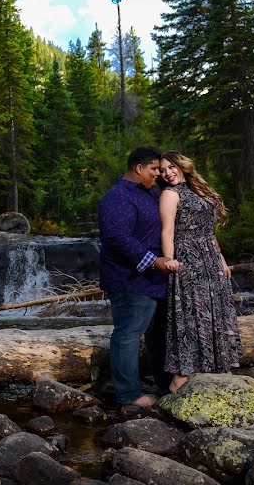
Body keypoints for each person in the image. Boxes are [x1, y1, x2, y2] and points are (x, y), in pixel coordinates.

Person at [98, 147, 180, 407]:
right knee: (128, 335)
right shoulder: (118, 197)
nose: (158, 174)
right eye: (154, 169)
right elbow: (116, 237)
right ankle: (129, 394)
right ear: (139, 168)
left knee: (159, 335)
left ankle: (164, 383)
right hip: (129, 280)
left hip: (155, 280)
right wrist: (153, 261)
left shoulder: (150, 193)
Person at [159, 151, 243, 393]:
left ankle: (214, 368)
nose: (167, 173)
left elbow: (209, 232)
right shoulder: (169, 194)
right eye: (163, 170)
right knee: (190, 315)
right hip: (188, 261)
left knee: (214, 312)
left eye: (171, 167)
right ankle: (180, 378)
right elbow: (167, 232)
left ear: (182, 166)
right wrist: (169, 259)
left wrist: (222, 260)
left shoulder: (199, 189)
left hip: (210, 260)